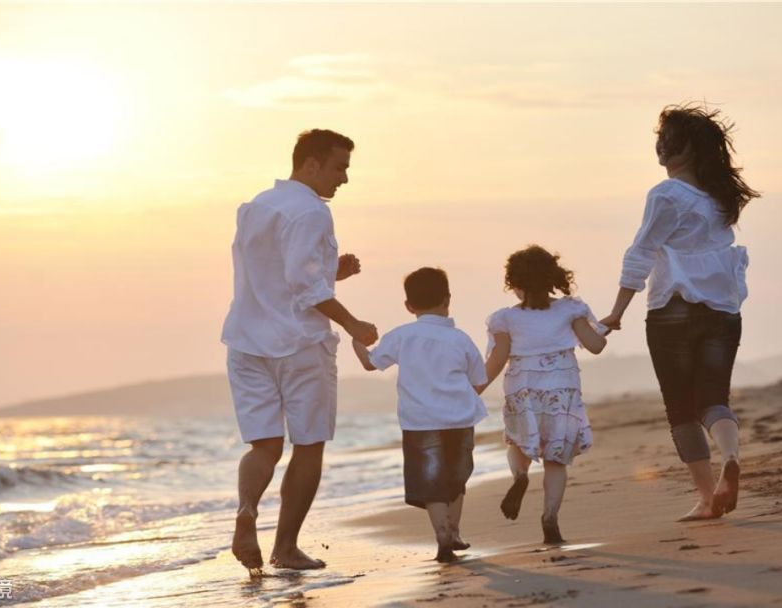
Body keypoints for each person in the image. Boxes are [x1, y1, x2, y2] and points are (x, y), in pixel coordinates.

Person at [221, 128, 378, 573]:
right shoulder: (312, 211)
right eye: (339, 167)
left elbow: (276, 274)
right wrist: (353, 323)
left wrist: (331, 270)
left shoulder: (256, 206)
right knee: (308, 445)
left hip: (246, 342)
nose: (344, 178)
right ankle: (286, 548)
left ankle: (247, 511)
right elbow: (305, 288)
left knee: (265, 446)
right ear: (311, 164)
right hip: (300, 345)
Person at [599, 104, 760, 521]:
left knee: (680, 409)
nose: (661, 146)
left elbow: (641, 252)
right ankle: (731, 456)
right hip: (722, 310)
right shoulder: (719, 198)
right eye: (660, 138)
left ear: (688, 147)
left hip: (673, 309)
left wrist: (616, 312)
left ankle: (707, 499)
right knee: (714, 399)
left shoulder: (666, 194)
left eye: (668, 139)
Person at [351, 267, 488, 563]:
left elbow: (371, 364)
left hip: (420, 422)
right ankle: (454, 532)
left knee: (431, 482)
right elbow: (479, 379)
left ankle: (442, 534)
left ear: (408, 306)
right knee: (456, 478)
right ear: (447, 299)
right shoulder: (461, 339)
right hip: (459, 420)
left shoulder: (402, 336)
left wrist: (357, 343)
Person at [481, 245, 608, 544]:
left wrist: (473, 390)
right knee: (556, 458)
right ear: (553, 277)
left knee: (518, 441)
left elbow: (497, 359)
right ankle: (550, 518)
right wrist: (604, 327)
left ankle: (521, 476)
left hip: (522, 388)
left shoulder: (504, 318)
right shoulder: (570, 309)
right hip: (561, 388)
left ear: (514, 283)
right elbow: (595, 346)